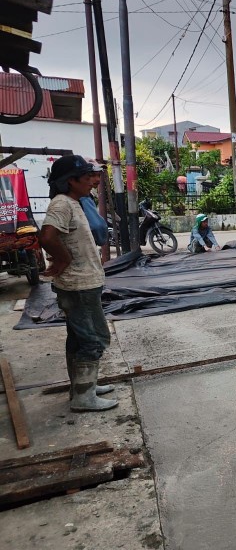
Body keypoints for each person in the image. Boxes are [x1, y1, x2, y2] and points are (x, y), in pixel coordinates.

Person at [39, 155, 118, 412]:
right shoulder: (62, 204)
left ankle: (83, 386)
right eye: (87, 177)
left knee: (78, 338)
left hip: (83, 283)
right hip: (79, 285)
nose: (93, 182)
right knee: (93, 339)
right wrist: (63, 259)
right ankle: (84, 397)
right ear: (70, 181)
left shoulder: (75, 202)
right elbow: (48, 237)